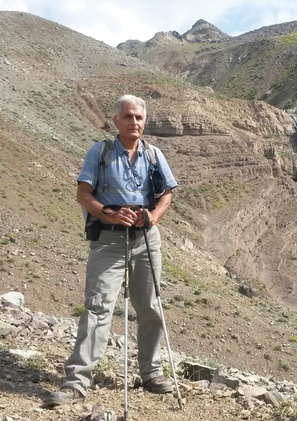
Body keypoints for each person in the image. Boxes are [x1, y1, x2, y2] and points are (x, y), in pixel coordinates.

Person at [45, 94, 178, 407]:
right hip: (108, 240)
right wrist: (109, 213)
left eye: (139, 118)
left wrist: (153, 216)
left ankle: (151, 373)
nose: (134, 122)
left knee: (150, 306)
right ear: (116, 120)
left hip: (146, 241)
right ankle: (76, 382)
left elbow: (167, 195)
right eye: (128, 117)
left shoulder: (154, 153)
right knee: (98, 307)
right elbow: (82, 193)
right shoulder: (100, 151)